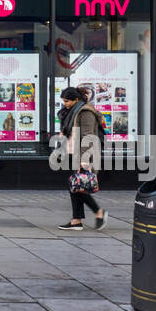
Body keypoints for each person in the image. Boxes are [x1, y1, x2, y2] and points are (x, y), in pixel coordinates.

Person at [56, 87, 107, 231]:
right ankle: (76, 220)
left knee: (78, 187)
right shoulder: (73, 112)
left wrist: (85, 161)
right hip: (73, 153)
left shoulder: (85, 112)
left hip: (84, 155)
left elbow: (87, 136)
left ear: (75, 99)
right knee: (75, 186)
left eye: (67, 101)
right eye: (63, 101)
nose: (64, 104)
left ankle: (98, 212)